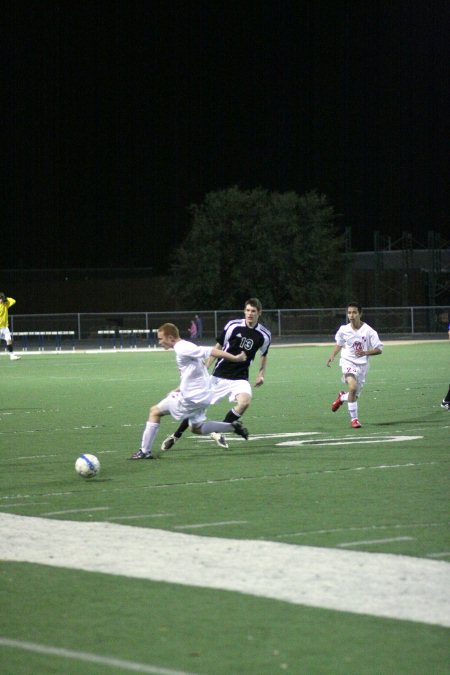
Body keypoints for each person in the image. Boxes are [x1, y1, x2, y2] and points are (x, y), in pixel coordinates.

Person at [161, 297, 271, 450]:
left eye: (253, 311)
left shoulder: (264, 335)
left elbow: (264, 354)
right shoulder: (233, 326)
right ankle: (175, 435)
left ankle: (219, 432)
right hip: (219, 375)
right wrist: (206, 366)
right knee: (196, 407)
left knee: (244, 402)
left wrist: (261, 374)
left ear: (259, 313)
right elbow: (218, 346)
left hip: (240, 378)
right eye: (247, 310)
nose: (249, 314)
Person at [128, 322, 249, 459]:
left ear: (171, 338)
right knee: (196, 428)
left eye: (161, 338)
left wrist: (235, 358)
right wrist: (179, 388)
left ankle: (144, 451)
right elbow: (194, 371)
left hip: (192, 398)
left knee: (154, 411)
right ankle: (232, 427)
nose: (159, 342)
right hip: (202, 396)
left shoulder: (182, 348)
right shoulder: (184, 347)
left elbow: (211, 351)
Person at [326, 302, 383, 428]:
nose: (351, 315)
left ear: (360, 314)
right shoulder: (344, 330)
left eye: (354, 312)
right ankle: (354, 420)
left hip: (362, 366)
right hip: (347, 361)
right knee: (352, 388)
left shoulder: (369, 331)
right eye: (349, 312)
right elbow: (340, 343)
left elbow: (379, 349)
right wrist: (333, 355)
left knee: (354, 395)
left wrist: (365, 352)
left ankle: (341, 397)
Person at [0, 293, 21, 360]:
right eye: (1, 298)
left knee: (9, 340)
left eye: (2, 298)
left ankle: (12, 355)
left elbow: (13, 301)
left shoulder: (5, 304)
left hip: (5, 327)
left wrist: (6, 299)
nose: (1, 300)